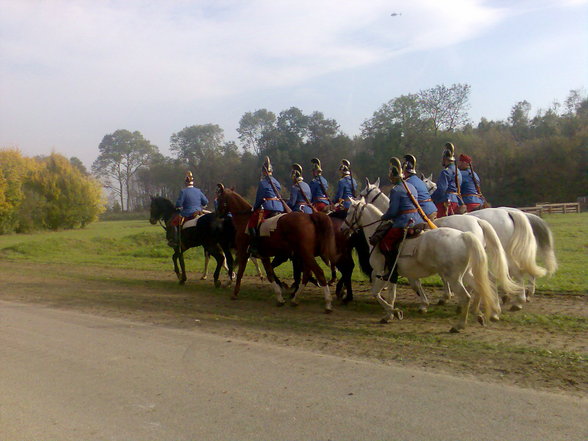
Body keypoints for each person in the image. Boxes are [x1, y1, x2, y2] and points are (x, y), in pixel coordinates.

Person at [379, 157, 424, 281]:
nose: (390, 179)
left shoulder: (396, 190)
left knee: (385, 243)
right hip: (418, 220)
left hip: (404, 222)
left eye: (391, 177)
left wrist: (384, 217)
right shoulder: (411, 186)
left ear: (394, 177)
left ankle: (392, 272)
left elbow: (393, 211)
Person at [247, 156, 285, 256]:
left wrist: (254, 208)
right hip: (279, 207)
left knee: (251, 223)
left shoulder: (263, 183)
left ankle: (255, 247)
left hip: (268, 207)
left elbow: (259, 198)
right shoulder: (276, 182)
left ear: (264, 172)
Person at [172, 171, 209, 246]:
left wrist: (178, 207)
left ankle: (176, 240)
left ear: (186, 182)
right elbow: (205, 202)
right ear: (193, 182)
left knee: (174, 222)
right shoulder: (198, 191)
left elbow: (179, 204)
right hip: (199, 211)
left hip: (187, 213)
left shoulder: (183, 191)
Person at [431, 142, 463, 217]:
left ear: (445, 159)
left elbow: (441, 189)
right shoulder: (458, 171)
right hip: (456, 201)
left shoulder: (445, 172)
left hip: (445, 202)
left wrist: (431, 198)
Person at [402, 154, 437, 220]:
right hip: (433, 209)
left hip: (424, 213)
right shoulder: (419, 180)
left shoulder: (407, 183)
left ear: (405, 171)